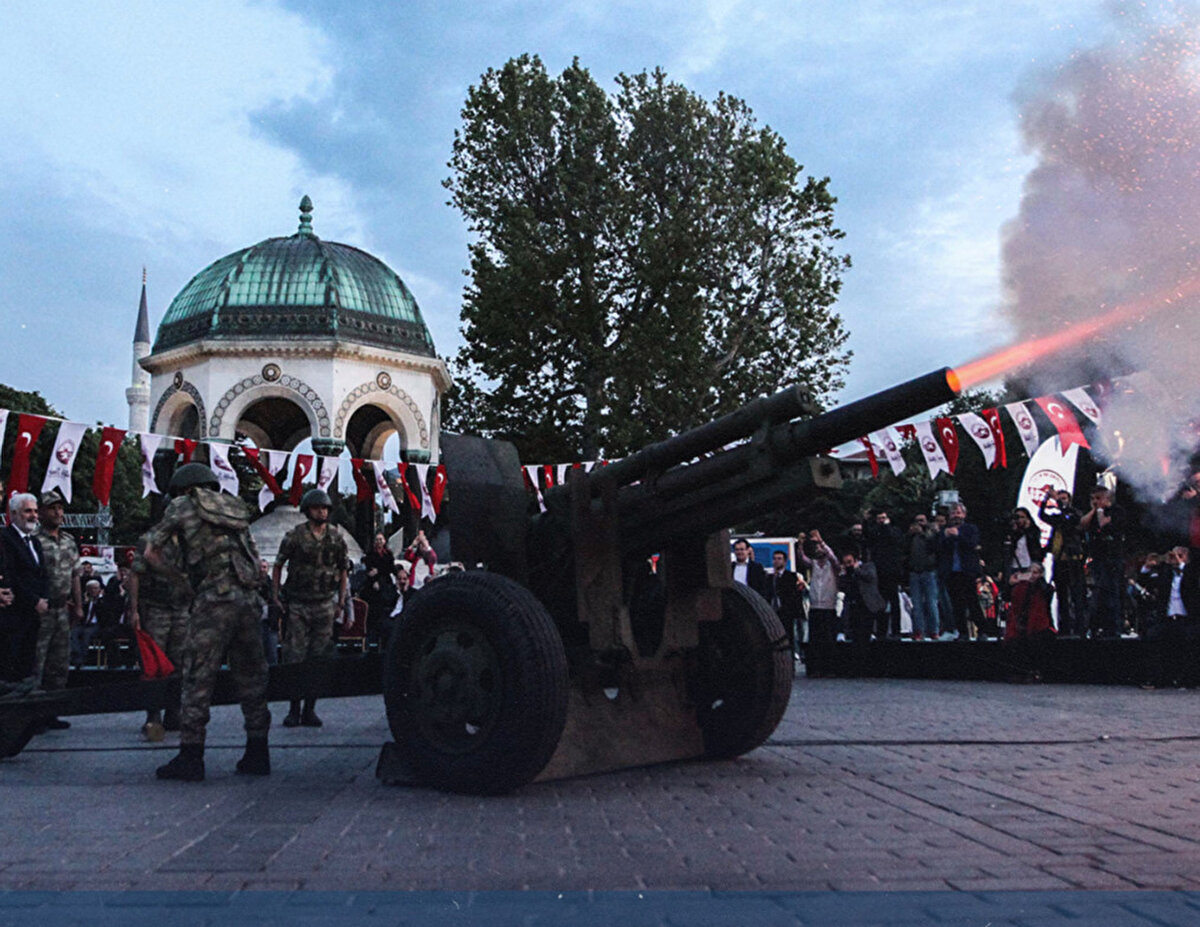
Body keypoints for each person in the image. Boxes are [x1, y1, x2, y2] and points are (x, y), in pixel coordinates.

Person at [148, 463, 270, 782]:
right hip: (247, 600)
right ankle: (258, 752)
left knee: (198, 677)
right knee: (253, 678)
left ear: (184, 488)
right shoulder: (235, 508)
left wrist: (182, 580)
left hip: (214, 600)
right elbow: (255, 562)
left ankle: (191, 756)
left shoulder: (182, 505)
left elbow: (151, 552)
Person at [272, 488, 348, 728]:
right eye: (317, 508)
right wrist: (275, 595)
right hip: (298, 603)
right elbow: (278, 564)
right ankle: (294, 709)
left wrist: (341, 600)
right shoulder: (295, 536)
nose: (322, 511)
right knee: (295, 656)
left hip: (324, 602)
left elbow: (343, 569)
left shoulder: (335, 537)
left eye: (325, 508)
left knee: (318, 657)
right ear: (307, 511)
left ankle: (310, 709)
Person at [129, 524, 193, 741]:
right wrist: (134, 610)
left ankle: (174, 712)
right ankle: (153, 716)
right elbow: (136, 574)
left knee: (180, 661)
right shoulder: (150, 538)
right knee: (154, 664)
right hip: (156, 607)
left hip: (181, 608)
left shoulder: (189, 539)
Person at [33, 491, 81, 730]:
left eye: (60, 508)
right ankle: (32, 715)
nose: (58, 513)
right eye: (52, 508)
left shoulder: (69, 541)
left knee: (60, 663)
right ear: (41, 512)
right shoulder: (34, 540)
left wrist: (79, 606)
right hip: (41, 609)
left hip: (63, 608)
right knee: (37, 662)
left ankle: (51, 713)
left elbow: (75, 576)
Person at [0, 493, 49, 686]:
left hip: (33, 616)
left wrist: (44, 599)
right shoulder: (4, 539)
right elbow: (12, 576)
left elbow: (42, 575)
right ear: (13, 514)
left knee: (27, 666)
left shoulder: (35, 542)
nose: (34, 516)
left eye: (35, 511)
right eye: (28, 511)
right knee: (10, 668)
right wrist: (34, 601)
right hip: (13, 616)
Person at [1080, 485, 1127, 639]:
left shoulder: (1117, 511)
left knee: (1113, 591)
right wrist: (1094, 510)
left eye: (1098, 498)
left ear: (1107, 498)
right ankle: (1098, 626)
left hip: (1113, 557)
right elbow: (1084, 524)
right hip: (1098, 557)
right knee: (1099, 592)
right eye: (1092, 499)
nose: (1095, 502)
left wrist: (1100, 511)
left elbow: (1104, 525)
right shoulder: (1093, 514)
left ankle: (1116, 627)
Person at [1039, 488, 1086, 637]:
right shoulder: (1058, 518)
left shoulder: (1074, 514)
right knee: (1062, 595)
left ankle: (1080, 628)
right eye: (1060, 498)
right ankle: (1064, 628)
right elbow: (1042, 516)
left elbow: (1071, 522)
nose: (1061, 501)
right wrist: (1045, 500)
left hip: (1073, 561)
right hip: (1059, 561)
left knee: (1077, 595)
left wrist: (1058, 501)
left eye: (1064, 498)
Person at [937, 502, 984, 640]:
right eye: (953, 513)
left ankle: (982, 629)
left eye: (958, 513)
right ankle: (962, 631)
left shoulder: (970, 529)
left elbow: (972, 544)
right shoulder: (944, 531)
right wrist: (945, 536)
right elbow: (937, 548)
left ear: (964, 514)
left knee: (972, 600)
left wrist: (958, 535)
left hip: (967, 571)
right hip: (951, 571)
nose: (956, 516)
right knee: (957, 603)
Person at [863, 509, 904, 639]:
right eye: (879, 518)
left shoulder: (894, 530)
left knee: (894, 602)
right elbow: (867, 535)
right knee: (880, 602)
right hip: (879, 572)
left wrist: (886, 526)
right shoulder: (876, 532)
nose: (882, 520)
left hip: (892, 572)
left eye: (884, 518)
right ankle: (881, 631)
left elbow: (895, 538)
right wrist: (865, 520)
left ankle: (896, 630)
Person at [904, 514, 940, 641]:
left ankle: (934, 630)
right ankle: (918, 630)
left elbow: (934, 547)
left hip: (929, 571)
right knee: (916, 604)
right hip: (914, 572)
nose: (919, 523)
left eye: (922, 521)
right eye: (917, 521)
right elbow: (905, 549)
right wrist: (910, 534)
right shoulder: (911, 536)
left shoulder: (931, 533)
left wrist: (924, 533)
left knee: (931, 602)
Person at [765, 550, 805, 657]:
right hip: (774, 611)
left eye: (779, 559)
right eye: (775, 559)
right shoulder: (770, 578)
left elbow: (794, 595)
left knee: (788, 636)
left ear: (785, 561)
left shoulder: (791, 576)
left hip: (787, 612)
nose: (776, 561)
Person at [362, 532, 397, 648]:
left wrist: (379, 570)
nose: (379, 542)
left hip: (385, 584)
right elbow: (370, 571)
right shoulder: (370, 555)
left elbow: (390, 567)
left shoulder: (388, 554)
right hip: (373, 586)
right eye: (377, 540)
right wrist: (375, 576)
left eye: (381, 540)